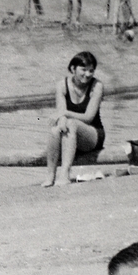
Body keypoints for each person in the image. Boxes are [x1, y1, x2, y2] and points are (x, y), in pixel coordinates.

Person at [44, 50, 105, 187]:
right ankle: (50, 175)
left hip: (93, 134)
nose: (88, 74)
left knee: (71, 123)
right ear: (73, 68)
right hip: (71, 133)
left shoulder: (97, 86)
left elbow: (89, 117)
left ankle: (65, 173)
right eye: (84, 70)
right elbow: (61, 114)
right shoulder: (62, 85)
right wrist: (62, 119)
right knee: (54, 130)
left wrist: (65, 114)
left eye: (91, 71)